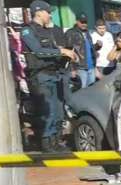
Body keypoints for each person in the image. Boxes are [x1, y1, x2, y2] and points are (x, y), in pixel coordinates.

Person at [22, 0, 77, 152]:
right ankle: (47, 144)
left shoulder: (48, 31)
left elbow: (53, 51)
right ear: (38, 12)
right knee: (49, 110)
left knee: (58, 110)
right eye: (47, 12)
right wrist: (61, 52)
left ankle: (56, 141)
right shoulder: (27, 30)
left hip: (55, 74)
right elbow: (38, 51)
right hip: (40, 76)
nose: (50, 15)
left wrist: (68, 55)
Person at [65, 13, 97, 88]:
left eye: (85, 22)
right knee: (82, 93)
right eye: (82, 22)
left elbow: (88, 48)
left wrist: (97, 46)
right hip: (80, 68)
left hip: (91, 67)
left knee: (92, 91)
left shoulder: (87, 32)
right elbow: (68, 51)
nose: (84, 24)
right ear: (77, 21)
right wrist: (72, 69)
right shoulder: (71, 33)